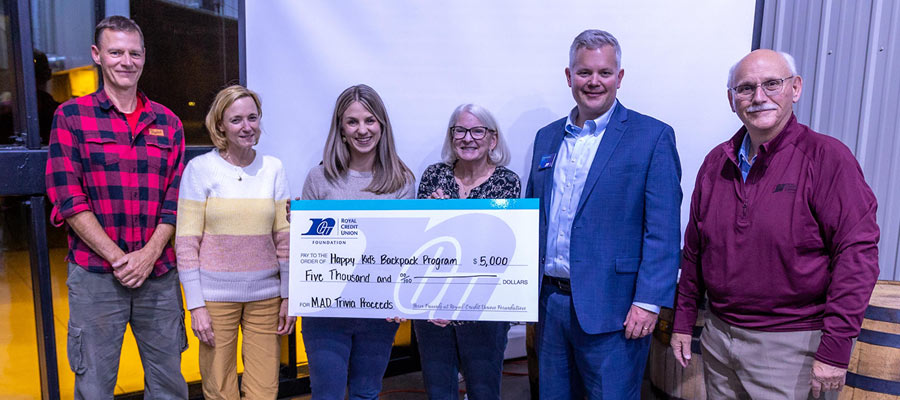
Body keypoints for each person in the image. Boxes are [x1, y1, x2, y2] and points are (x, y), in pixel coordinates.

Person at [671, 49, 880, 400]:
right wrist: (683, 320)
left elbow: (857, 256)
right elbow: (695, 251)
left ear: (795, 88)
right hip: (719, 339)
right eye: (746, 88)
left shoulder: (827, 159)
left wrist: (835, 349)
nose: (759, 97)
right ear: (731, 99)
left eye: (772, 84)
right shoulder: (716, 163)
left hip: (791, 348)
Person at [524, 29, 682, 399]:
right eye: (584, 72)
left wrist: (648, 302)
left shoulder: (652, 136)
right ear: (569, 76)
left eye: (604, 73)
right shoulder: (546, 138)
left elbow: (662, 230)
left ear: (619, 78)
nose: (594, 82)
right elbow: (534, 216)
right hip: (552, 305)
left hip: (617, 310)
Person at [45, 16, 188, 399]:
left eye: (134, 53)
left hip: (157, 277)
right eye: (116, 52)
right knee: (93, 384)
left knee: (169, 385)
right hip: (95, 279)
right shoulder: (71, 118)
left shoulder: (169, 124)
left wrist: (148, 255)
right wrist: (119, 259)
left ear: (144, 57)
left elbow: (175, 200)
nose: (126, 61)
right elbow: (68, 197)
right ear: (97, 55)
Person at [175, 85, 294, 399]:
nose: (247, 126)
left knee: (264, 389)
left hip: (267, 298)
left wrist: (287, 296)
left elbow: (284, 239)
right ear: (220, 126)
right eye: (237, 119)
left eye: (252, 118)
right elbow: (186, 243)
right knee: (219, 389)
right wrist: (196, 305)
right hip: (215, 300)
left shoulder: (274, 169)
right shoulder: (200, 170)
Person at [300, 84, 415, 400]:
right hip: (325, 313)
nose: (362, 130)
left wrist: (400, 297)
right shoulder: (318, 178)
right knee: (327, 396)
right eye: (353, 122)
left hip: (378, 314)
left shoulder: (402, 182)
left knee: (367, 393)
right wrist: (299, 224)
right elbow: (307, 251)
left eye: (370, 120)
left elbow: (403, 250)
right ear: (341, 128)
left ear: (382, 125)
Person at [414, 104, 520, 400]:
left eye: (477, 131)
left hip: (484, 309)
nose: (468, 138)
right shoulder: (433, 176)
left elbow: (497, 249)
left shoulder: (508, 182)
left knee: (485, 392)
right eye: (460, 130)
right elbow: (423, 246)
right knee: (439, 392)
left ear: (492, 139)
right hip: (432, 307)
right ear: (451, 136)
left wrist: (448, 218)